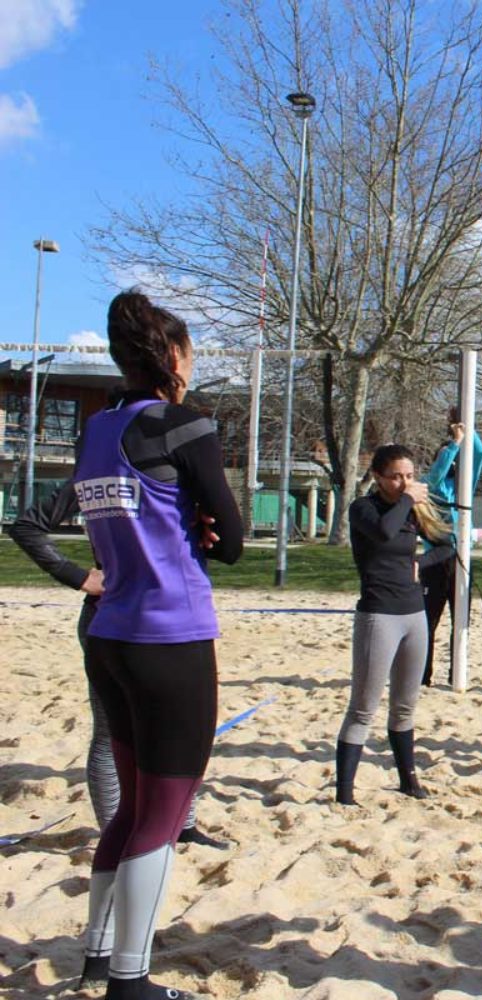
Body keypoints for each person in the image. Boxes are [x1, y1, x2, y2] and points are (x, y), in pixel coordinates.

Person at [73, 289, 245, 999]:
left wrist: (190, 520)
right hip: (168, 634)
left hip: (107, 632)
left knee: (132, 806)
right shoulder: (183, 425)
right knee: (164, 813)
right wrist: (206, 523)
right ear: (171, 357)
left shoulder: (97, 428)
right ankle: (131, 980)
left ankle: (96, 952)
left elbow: (152, 513)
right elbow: (233, 541)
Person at [8, 490, 228, 850]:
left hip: (169, 616)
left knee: (178, 731)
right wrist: (76, 575)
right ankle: (114, 831)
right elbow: (27, 527)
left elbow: (224, 544)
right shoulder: (96, 470)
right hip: (107, 615)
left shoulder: (172, 475)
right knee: (111, 732)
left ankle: (184, 825)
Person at [335, 444, 454, 805]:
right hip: (378, 614)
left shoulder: (414, 510)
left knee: (405, 704)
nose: (404, 483)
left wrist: (422, 559)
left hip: (413, 612)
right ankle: (345, 792)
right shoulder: (363, 509)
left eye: (409, 475)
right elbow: (384, 532)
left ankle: (408, 780)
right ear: (377, 477)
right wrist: (407, 499)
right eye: (396, 476)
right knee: (363, 706)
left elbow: (447, 544)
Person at [420, 407, 482, 687]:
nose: (452, 465)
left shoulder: (462, 488)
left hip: (460, 561)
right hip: (435, 560)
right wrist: (454, 443)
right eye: (448, 459)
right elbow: (435, 475)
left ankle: (455, 674)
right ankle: (423, 676)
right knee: (428, 622)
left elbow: (479, 454)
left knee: (461, 624)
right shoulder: (429, 485)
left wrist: (467, 426)